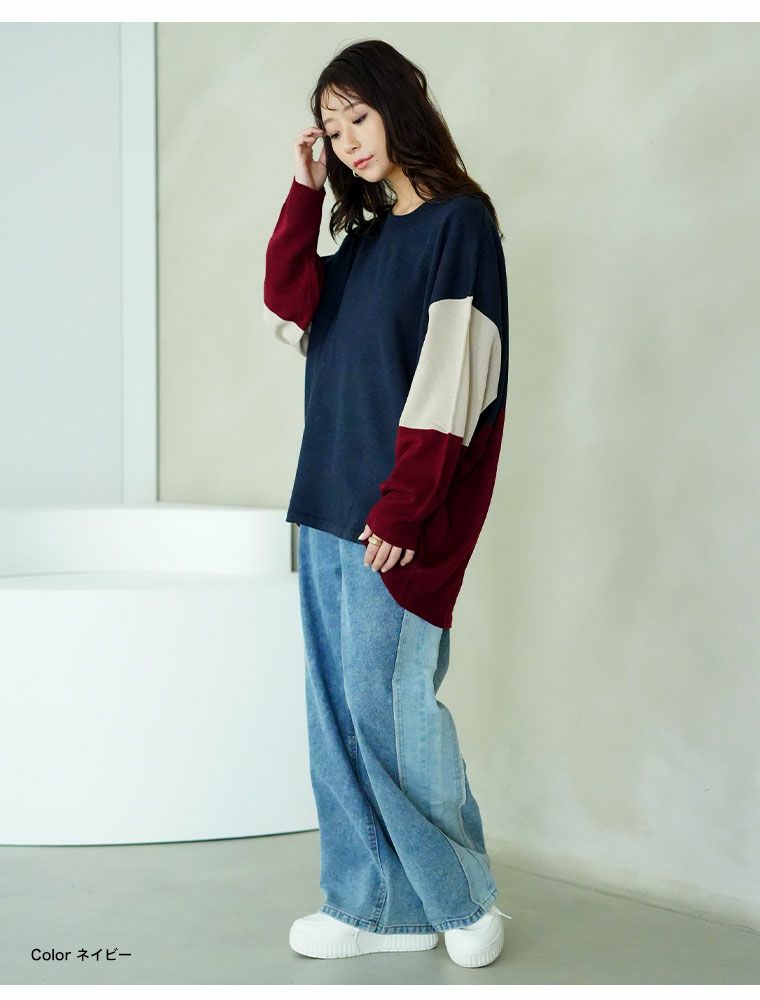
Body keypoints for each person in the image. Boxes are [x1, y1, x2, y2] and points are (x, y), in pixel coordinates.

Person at [262, 39, 511, 968]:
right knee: (337, 714)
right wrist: (304, 194)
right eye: (331, 128)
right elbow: (287, 305)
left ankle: (463, 899)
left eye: (357, 116)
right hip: (326, 503)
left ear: (400, 105)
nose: (348, 140)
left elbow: (455, 376)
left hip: (393, 519)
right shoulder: (361, 245)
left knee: (392, 711)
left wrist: (406, 510)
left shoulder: (458, 225)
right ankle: (372, 907)